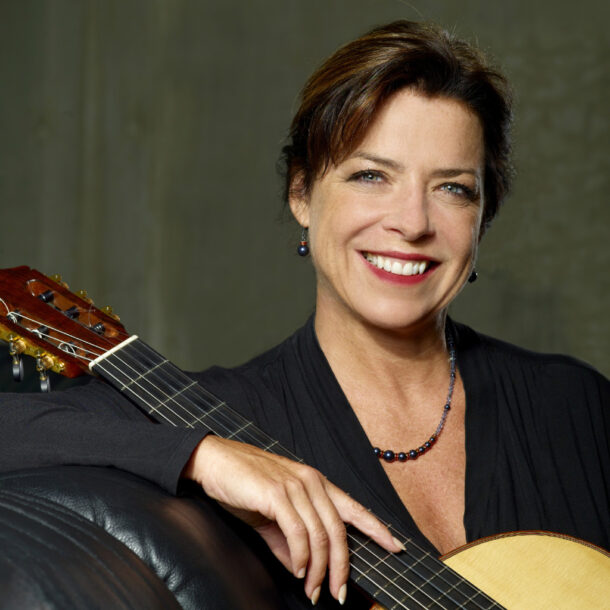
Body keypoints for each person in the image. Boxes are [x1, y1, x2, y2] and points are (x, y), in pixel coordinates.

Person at [0, 20, 608, 609]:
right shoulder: (225, 422)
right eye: (370, 176)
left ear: (482, 217)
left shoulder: (575, 407)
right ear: (302, 195)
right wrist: (202, 455)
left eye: (452, 188)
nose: (413, 222)